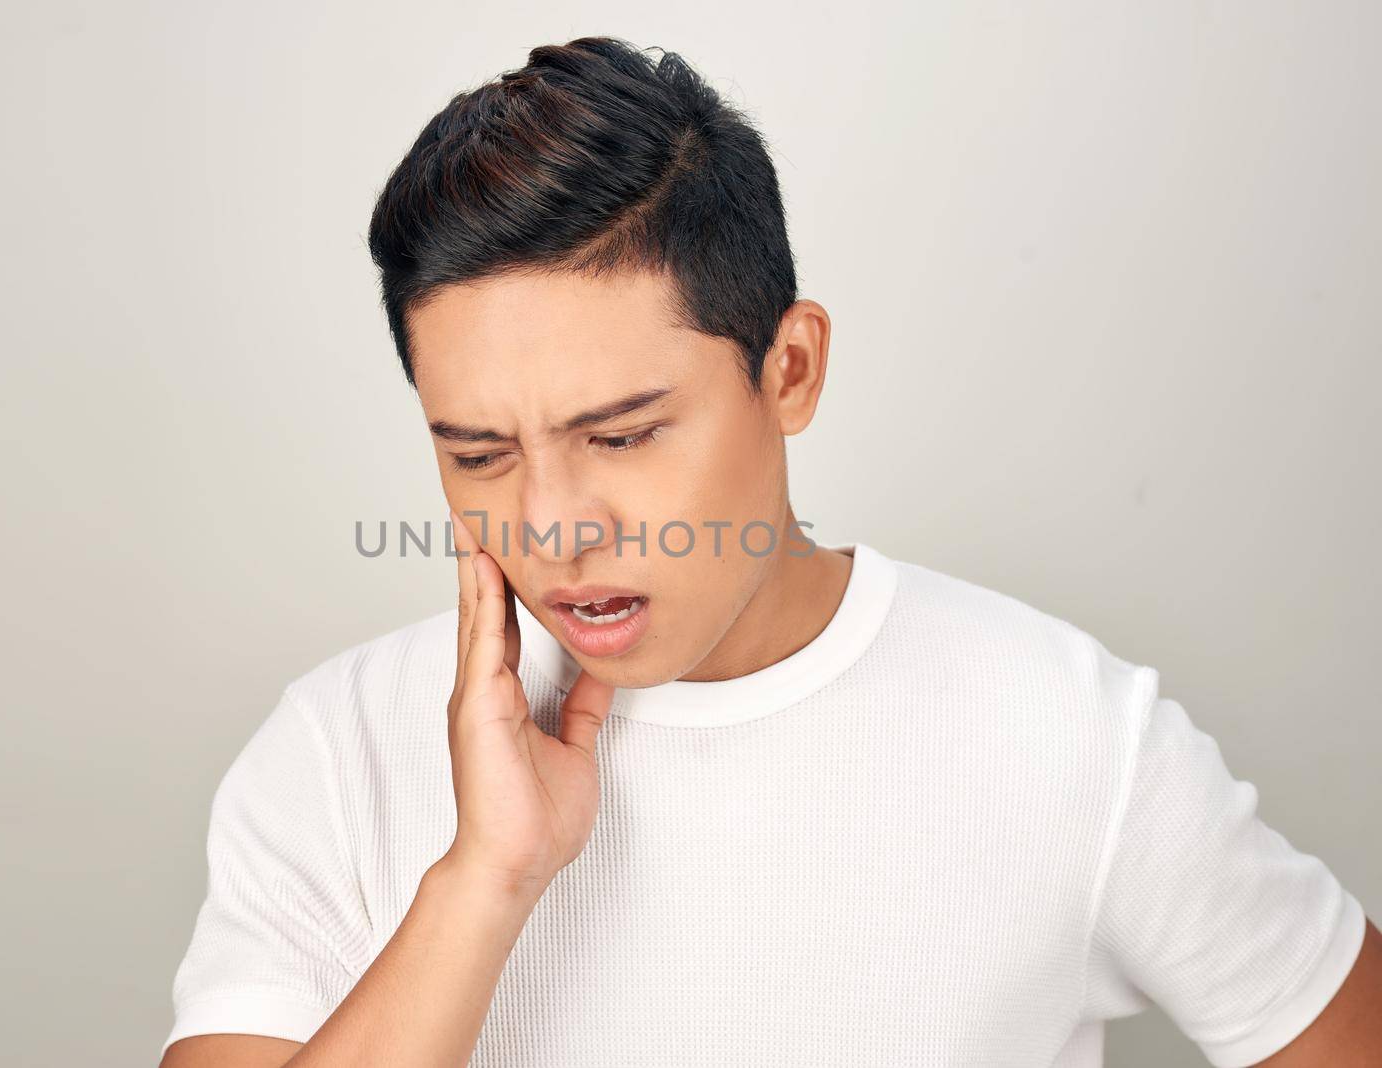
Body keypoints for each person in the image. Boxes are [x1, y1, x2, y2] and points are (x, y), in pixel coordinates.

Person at [158, 36, 1379, 1067]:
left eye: (624, 433)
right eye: (478, 455)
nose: (552, 527)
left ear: (787, 370)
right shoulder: (336, 751)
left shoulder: (1073, 736)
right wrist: (484, 881)